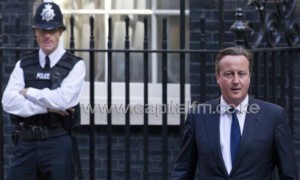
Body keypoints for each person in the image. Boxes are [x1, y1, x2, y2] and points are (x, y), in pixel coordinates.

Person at [171, 47, 298, 179]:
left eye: (241, 73)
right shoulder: (198, 116)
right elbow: (183, 171)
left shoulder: (274, 116)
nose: (236, 81)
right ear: (218, 78)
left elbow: (289, 174)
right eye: (229, 74)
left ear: (249, 77)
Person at [2, 2, 85, 180]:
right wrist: (48, 106)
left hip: (57, 143)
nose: (47, 35)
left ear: (61, 32)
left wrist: (29, 92)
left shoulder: (75, 65)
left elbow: (64, 101)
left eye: (53, 30)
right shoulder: (24, 63)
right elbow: (8, 101)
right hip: (26, 143)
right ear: (35, 32)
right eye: (42, 30)